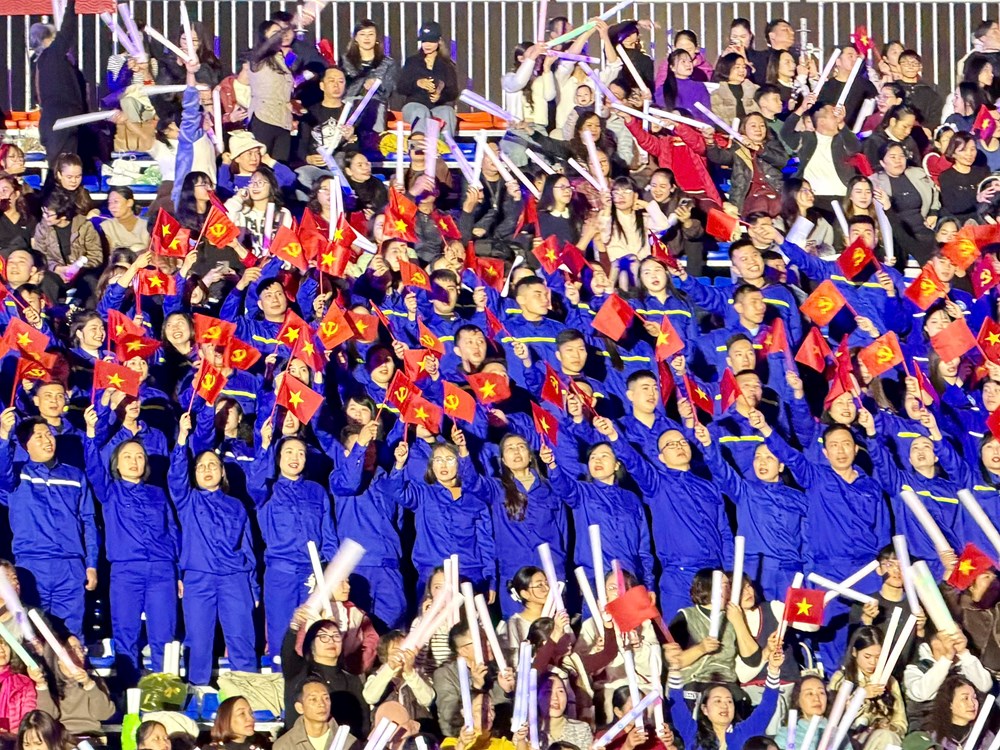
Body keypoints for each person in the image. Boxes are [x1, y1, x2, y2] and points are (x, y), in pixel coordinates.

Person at [0, 409, 98, 638]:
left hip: (71, 565)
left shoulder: (75, 476)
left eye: (49, 434)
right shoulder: (16, 475)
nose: (47, 440)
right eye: (39, 436)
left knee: (71, 634)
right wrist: (4, 435)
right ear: (25, 445)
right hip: (32, 565)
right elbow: (2, 469)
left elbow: (88, 522)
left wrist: (91, 564)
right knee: (32, 633)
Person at [397, 22, 459, 135]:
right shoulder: (412, 62)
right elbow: (401, 87)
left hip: (437, 106)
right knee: (421, 112)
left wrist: (440, 96)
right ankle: (419, 143)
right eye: (424, 41)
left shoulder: (446, 65)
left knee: (447, 112)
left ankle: (444, 144)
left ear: (439, 41)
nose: (427, 45)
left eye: (431, 41)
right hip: (414, 104)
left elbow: (453, 92)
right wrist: (417, 83)